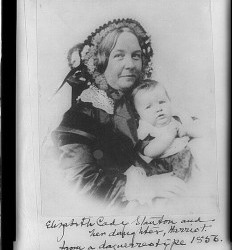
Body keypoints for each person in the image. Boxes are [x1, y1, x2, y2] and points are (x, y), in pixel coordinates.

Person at [52, 18, 187, 210]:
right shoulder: (82, 113)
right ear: (100, 61)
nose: (130, 64)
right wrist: (146, 188)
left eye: (136, 56)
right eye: (119, 56)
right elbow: (78, 180)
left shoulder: (141, 103)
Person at [132, 79, 204, 184]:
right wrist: (170, 135)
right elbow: (149, 152)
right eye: (148, 107)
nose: (158, 109)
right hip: (165, 169)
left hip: (188, 162)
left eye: (162, 102)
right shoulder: (146, 131)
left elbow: (202, 131)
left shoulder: (177, 119)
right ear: (139, 114)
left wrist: (187, 131)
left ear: (170, 101)